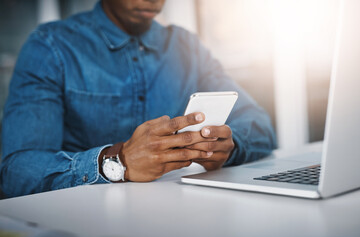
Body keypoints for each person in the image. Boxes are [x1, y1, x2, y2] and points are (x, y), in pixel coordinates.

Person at [0, 0, 276, 197]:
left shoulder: (187, 47)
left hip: (180, 212)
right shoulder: (51, 46)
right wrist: (117, 162)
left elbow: (261, 126)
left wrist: (229, 145)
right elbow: (16, 171)